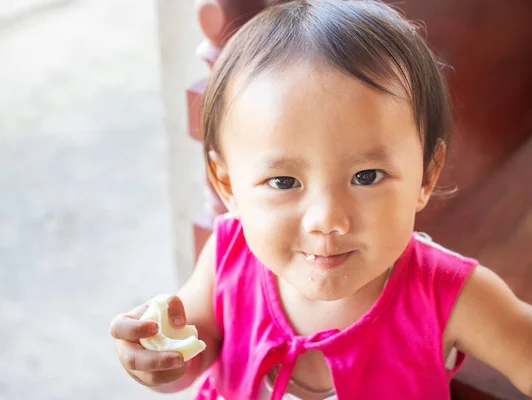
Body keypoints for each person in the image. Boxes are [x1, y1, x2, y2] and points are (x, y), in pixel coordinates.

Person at [109, 1, 532, 398]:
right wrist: (156, 356)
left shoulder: (450, 294)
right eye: (283, 182)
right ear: (227, 185)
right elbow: (190, 358)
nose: (327, 219)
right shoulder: (227, 256)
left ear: (427, 174)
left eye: (366, 176)